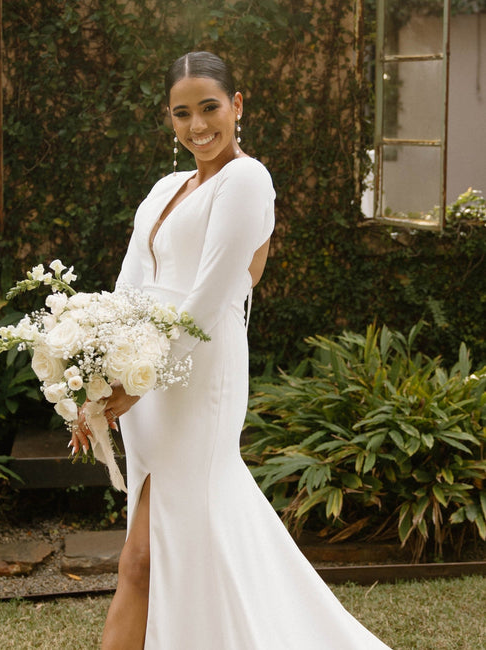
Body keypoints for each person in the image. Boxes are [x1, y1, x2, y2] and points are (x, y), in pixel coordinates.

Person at [71, 51, 392, 650]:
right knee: (171, 548)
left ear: (237, 105)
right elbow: (125, 287)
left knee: (144, 556)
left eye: (210, 108)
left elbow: (207, 301)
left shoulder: (248, 180)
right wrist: (91, 378)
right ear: (168, 118)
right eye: (182, 113)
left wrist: (135, 382)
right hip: (142, 384)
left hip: (194, 378)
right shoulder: (167, 186)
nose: (198, 126)